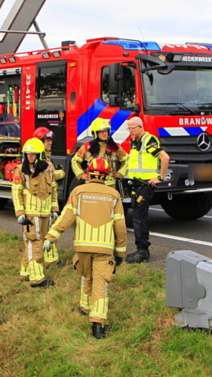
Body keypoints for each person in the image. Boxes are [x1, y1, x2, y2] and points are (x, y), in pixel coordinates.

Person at [44, 157, 127, 339]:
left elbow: (66, 217)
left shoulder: (78, 192)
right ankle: (98, 324)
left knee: (86, 276)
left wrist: (51, 236)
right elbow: (120, 226)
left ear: (89, 173)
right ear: (106, 175)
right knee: (100, 283)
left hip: (82, 245)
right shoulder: (114, 195)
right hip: (104, 247)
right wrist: (120, 251)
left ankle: (84, 307)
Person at [122, 117, 169, 264]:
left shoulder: (148, 140)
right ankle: (141, 249)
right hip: (137, 184)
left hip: (145, 185)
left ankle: (142, 252)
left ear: (140, 127)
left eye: (132, 128)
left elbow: (165, 158)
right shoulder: (135, 141)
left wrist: (160, 177)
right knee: (137, 216)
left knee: (139, 217)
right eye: (128, 128)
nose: (130, 131)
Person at [13, 137, 59, 288]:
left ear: (40, 155)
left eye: (33, 154)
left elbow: (53, 189)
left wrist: (54, 209)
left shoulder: (49, 168)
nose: (30, 156)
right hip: (31, 216)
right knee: (35, 244)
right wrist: (20, 213)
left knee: (33, 244)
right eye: (27, 154)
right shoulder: (21, 170)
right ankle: (37, 279)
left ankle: (25, 272)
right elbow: (16, 192)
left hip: (46, 214)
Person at [33, 126, 64, 268]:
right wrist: (61, 173)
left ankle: (51, 260)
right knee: (42, 234)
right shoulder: (39, 160)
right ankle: (44, 262)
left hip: (48, 201)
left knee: (48, 232)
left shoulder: (45, 157)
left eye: (51, 140)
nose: (50, 143)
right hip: (40, 204)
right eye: (47, 140)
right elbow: (50, 175)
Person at [70, 119, 125, 188]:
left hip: (109, 186)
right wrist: (81, 174)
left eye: (106, 131)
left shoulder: (115, 147)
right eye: (102, 132)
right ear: (95, 133)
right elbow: (74, 160)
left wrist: (120, 173)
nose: (105, 134)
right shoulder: (87, 146)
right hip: (91, 185)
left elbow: (127, 160)